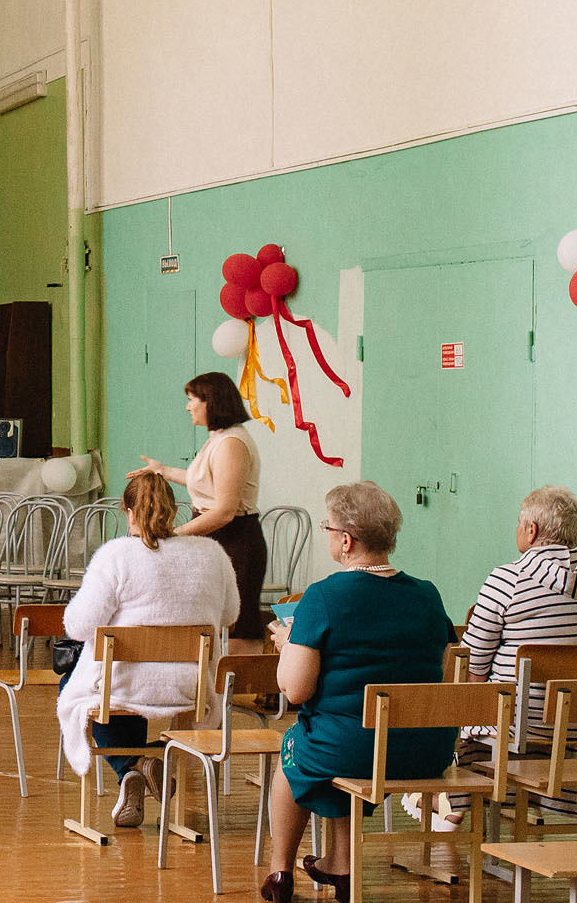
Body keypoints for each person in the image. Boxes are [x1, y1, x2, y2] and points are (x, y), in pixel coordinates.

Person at [261, 482, 454, 903]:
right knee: (340, 735)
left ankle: (280, 872)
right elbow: (435, 667)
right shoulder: (427, 594)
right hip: (425, 747)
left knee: (296, 747)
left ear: (346, 540)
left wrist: (288, 646)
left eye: (327, 528)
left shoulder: (324, 595)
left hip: (353, 746)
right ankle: (340, 866)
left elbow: (294, 690)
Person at [56, 471, 240, 829]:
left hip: (124, 684)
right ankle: (141, 767)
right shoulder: (212, 554)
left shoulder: (116, 555)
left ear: (127, 512)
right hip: (193, 685)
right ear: (174, 510)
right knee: (118, 688)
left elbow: (77, 626)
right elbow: (230, 614)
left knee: (79, 687)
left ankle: (134, 766)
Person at [462, 485, 577, 735]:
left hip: (519, 725)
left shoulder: (509, 579)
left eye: (519, 522)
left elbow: (472, 668)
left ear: (531, 530)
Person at [132, 370, 268, 651]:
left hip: (234, 539)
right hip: (215, 536)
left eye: (193, 399)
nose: (188, 405)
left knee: (237, 622)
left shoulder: (232, 443)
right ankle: (220, 687)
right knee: (210, 615)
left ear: (211, 402)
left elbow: (224, 511)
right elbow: (206, 482)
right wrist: (163, 470)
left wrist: (174, 534)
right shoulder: (220, 437)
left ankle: (240, 686)